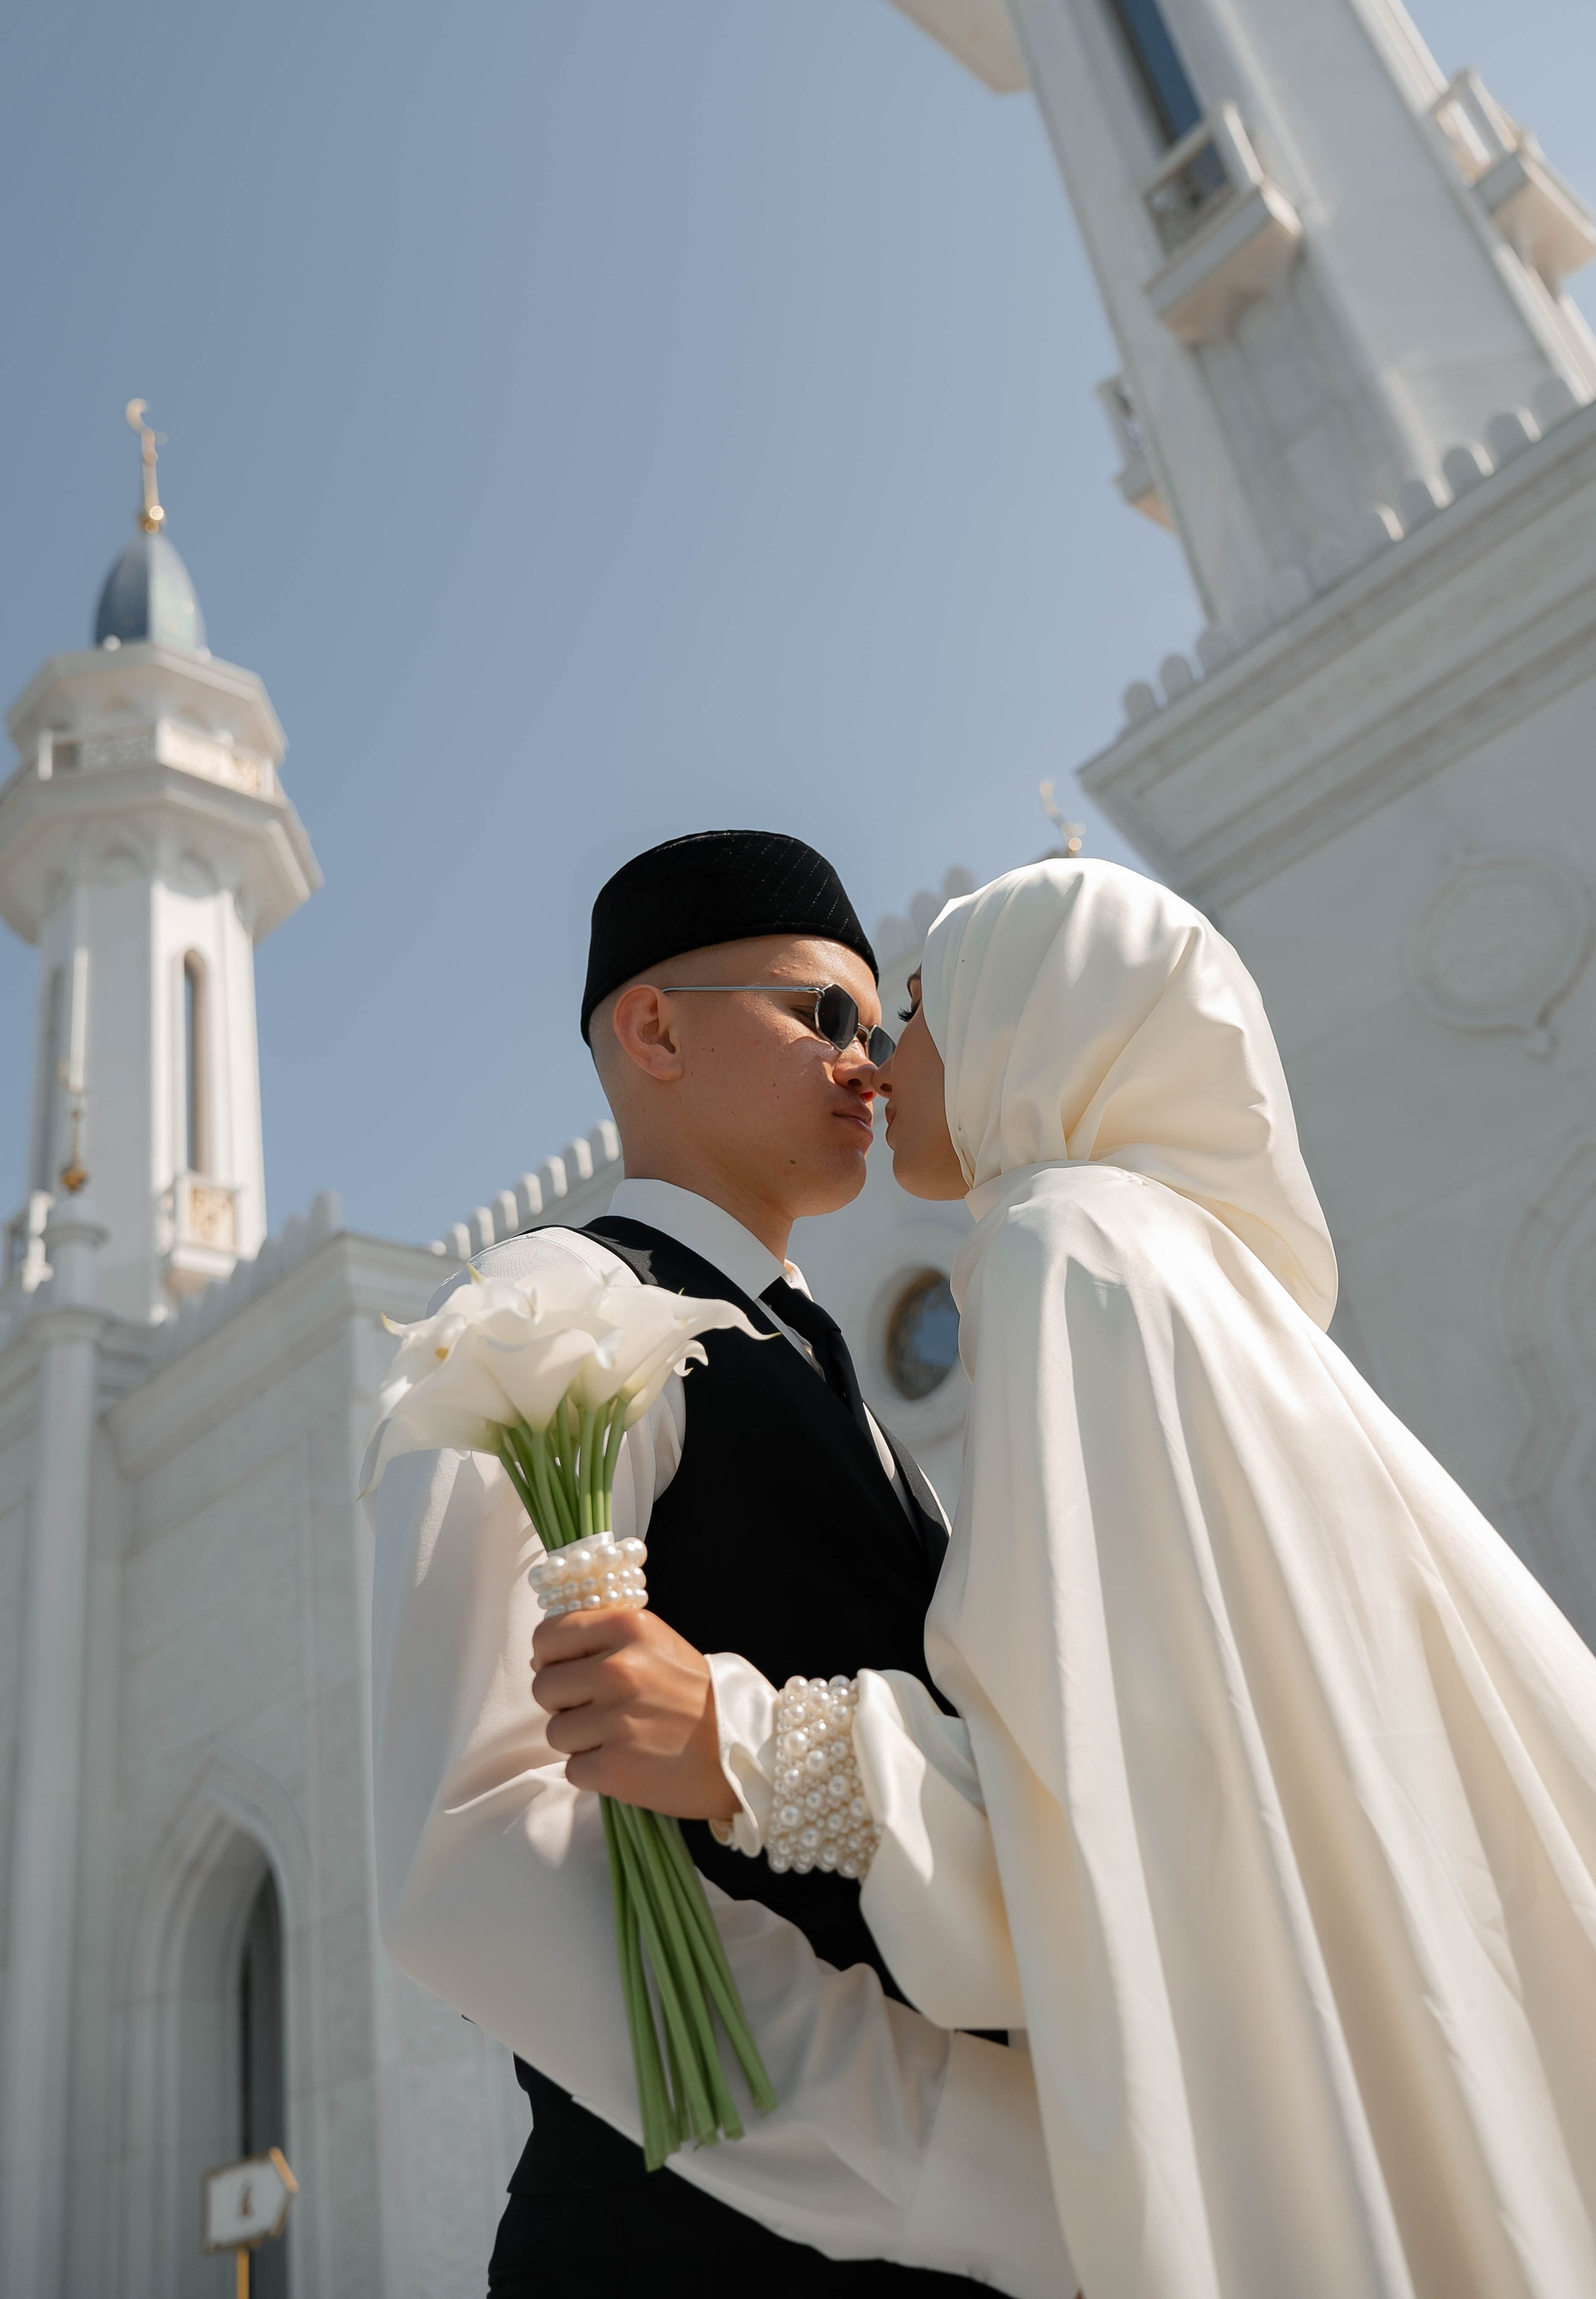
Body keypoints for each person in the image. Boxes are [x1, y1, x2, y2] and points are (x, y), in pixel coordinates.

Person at [563, 857, 1596, 2299]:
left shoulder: (1066, 1249)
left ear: (1031, 1023)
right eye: (843, 1016)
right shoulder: (1174, 1268)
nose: (877, 1064)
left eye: (907, 1013)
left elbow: (1100, 1799)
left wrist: (751, 1745)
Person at [367, 830, 1076, 2299]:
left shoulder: (830, 1393)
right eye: (823, 1014)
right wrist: (973, 2163)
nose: (868, 1066)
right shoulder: (545, 1314)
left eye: (879, 1028)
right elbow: (487, 1839)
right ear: (652, 1026)